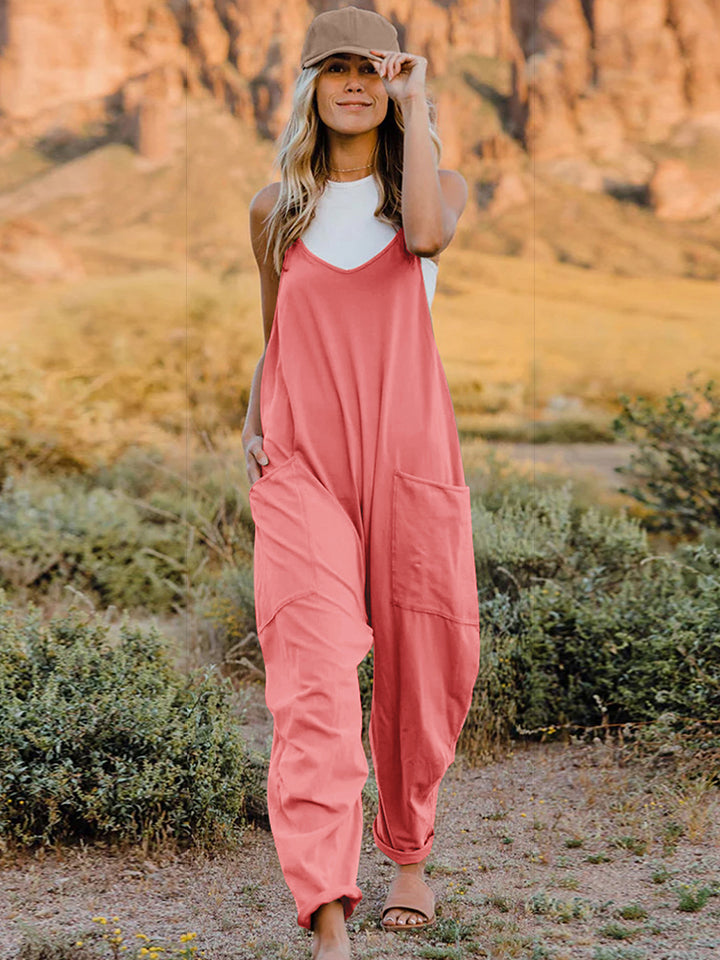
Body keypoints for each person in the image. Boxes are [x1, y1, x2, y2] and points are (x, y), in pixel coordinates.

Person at [241, 7, 480, 959]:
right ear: (309, 85)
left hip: (409, 451)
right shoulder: (275, 208)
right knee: (312, 677)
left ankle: (409, 854)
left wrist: (417, 105)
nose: (353, 84)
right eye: (333, 68)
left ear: (393, 81)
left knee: (426, 663)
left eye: (370, 69)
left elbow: (425, 238)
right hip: (303, 461)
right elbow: (272, 332)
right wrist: (253, 423)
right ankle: (327, 912)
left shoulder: (434, 186)